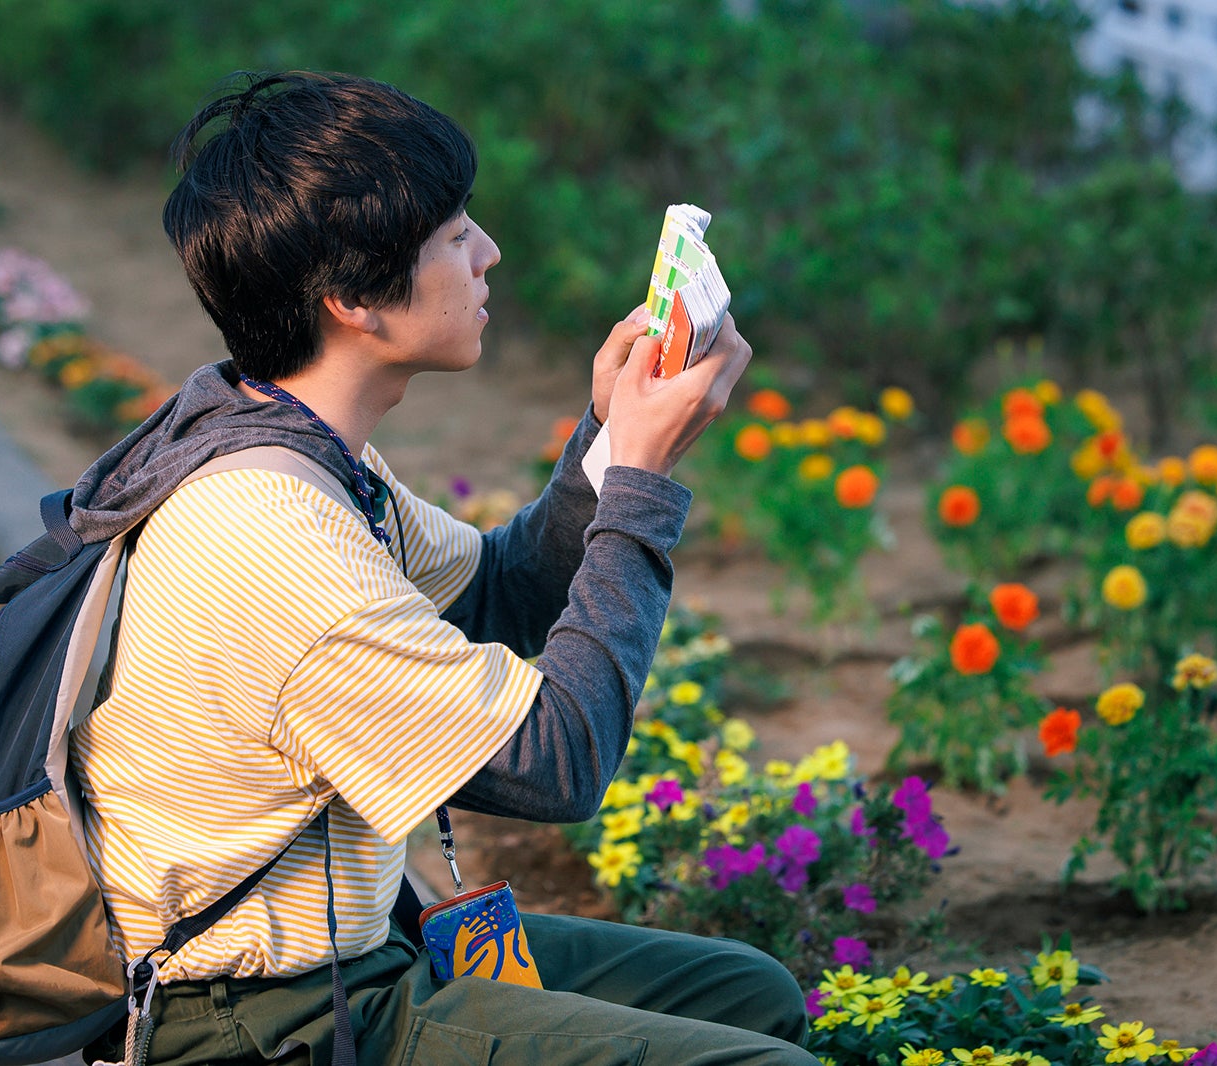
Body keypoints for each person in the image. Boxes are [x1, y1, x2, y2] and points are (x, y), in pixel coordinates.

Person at [69, 70, 816, 1066]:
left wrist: (604, 440)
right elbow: (558, 763)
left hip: (359, 954)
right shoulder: (271, 539)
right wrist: (640, 479)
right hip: (262, 1018)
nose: (488, 253)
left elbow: (500, 591)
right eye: (455, 235)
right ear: (352, 302)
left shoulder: (294, 450)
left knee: (744, 994)